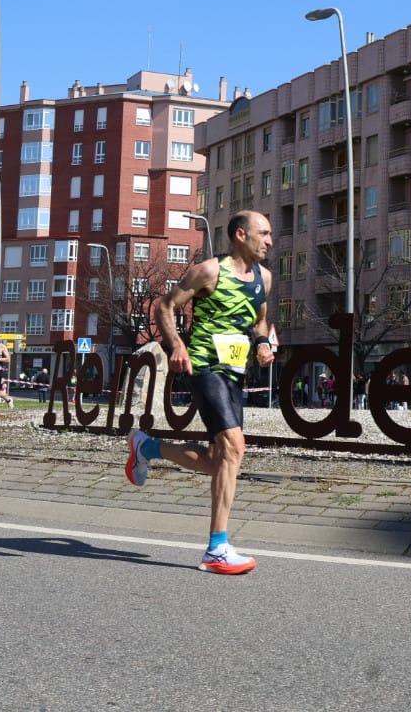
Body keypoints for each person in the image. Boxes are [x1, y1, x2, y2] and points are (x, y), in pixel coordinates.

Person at [124, 210, 274, 575]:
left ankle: (147, 447)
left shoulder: (264, 278)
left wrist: (263, 344)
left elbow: (260, 319)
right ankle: (217, 548)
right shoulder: (210, 271)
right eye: (264, 233)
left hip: (234, 371)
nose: (269, 241)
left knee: (220, 460)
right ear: (241, 235)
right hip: (204, 368)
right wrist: (176, 345)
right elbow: (165, 305)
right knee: (235, 448)